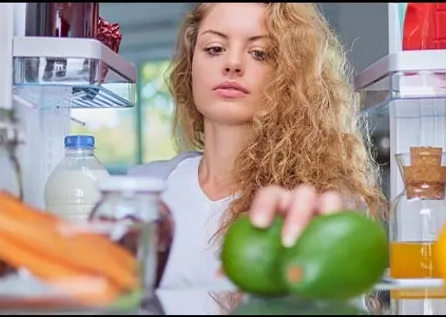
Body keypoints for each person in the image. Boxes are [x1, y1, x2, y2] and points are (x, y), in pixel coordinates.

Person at [128, 2, 386, 290]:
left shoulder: (319, 203)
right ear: (190, 66)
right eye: (215, 49)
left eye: (260, 53)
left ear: (289, 76)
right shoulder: (144, 190)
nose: (232, 63)